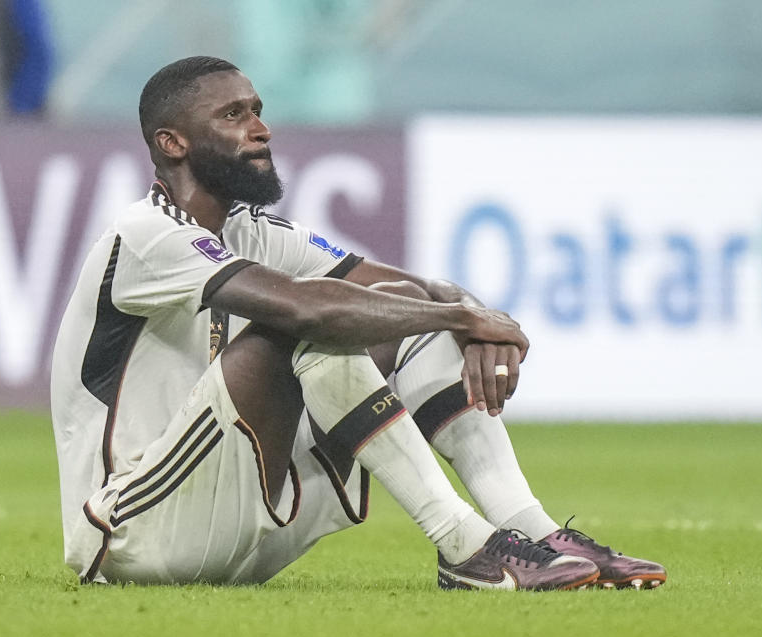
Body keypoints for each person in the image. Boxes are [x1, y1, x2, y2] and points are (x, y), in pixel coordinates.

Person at [51, 56, 666, 591]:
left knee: (408, 319)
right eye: (233, 116)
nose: (261, 130)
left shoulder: (250, 232)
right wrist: (462, 314)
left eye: (258, 111)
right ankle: (466, 547)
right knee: (321, 322)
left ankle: (534, 532)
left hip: (239, 528)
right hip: (133, 531)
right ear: (173, 142)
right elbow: (308, 309)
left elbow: (409, 290)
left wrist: (473, 317)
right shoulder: (145, 234)